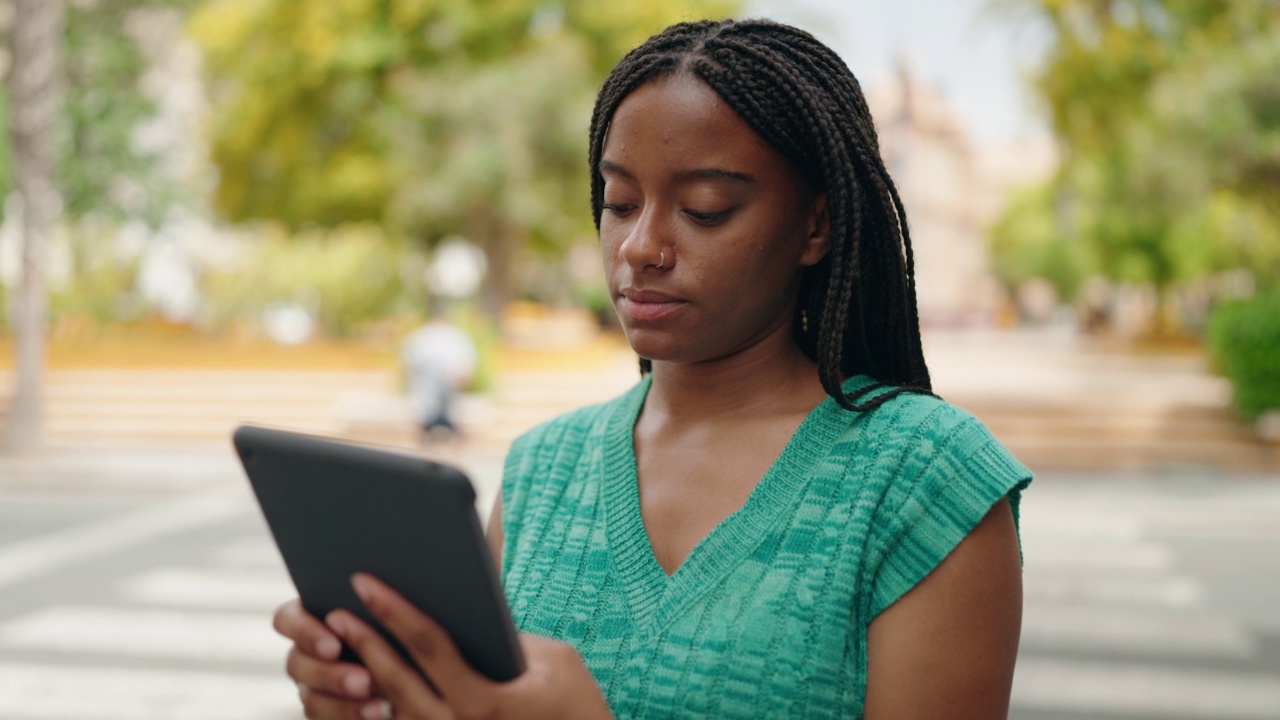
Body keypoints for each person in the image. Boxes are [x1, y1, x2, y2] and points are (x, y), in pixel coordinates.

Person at [274, 18, 1032, 719]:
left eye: (703, 209)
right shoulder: (543, 469)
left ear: (817, 225)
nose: (641, 246)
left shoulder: (925, 482)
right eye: (618, 202)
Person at [400, 312, 478, 444]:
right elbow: (410, 360)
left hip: (449, 386)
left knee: (453, 417)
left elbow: (465, 361)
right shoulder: (423, 336)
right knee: (425, 417)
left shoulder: (454, 336)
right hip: (426, 385)